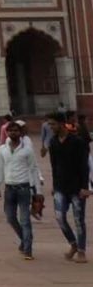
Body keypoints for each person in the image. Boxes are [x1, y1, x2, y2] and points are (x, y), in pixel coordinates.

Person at [0, 119, 41, 260]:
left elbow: (33, 169)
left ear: (21, 133)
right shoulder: (2, 149)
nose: (13, 133)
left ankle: (28, 249)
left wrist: (38, 191)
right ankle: (24, 238)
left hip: (24, 187)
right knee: (10, 217)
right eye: (10, 130)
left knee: (25, 219)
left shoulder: (27, 150)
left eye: (16, 130)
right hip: (9, 188)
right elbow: (0, 168)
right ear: (7, 132)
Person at [47, 112, 89, 264]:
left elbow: (84, 166)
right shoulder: (53, 142)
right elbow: (53, 165)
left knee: (79, 219)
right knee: (59, 217)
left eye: (52, 124)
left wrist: (85, 187)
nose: (50, 127)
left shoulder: (76, 141)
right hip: (60, 186)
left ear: (61, 123)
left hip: (77, 187)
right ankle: (73, 244)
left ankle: (82, 251)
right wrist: (54, 184)